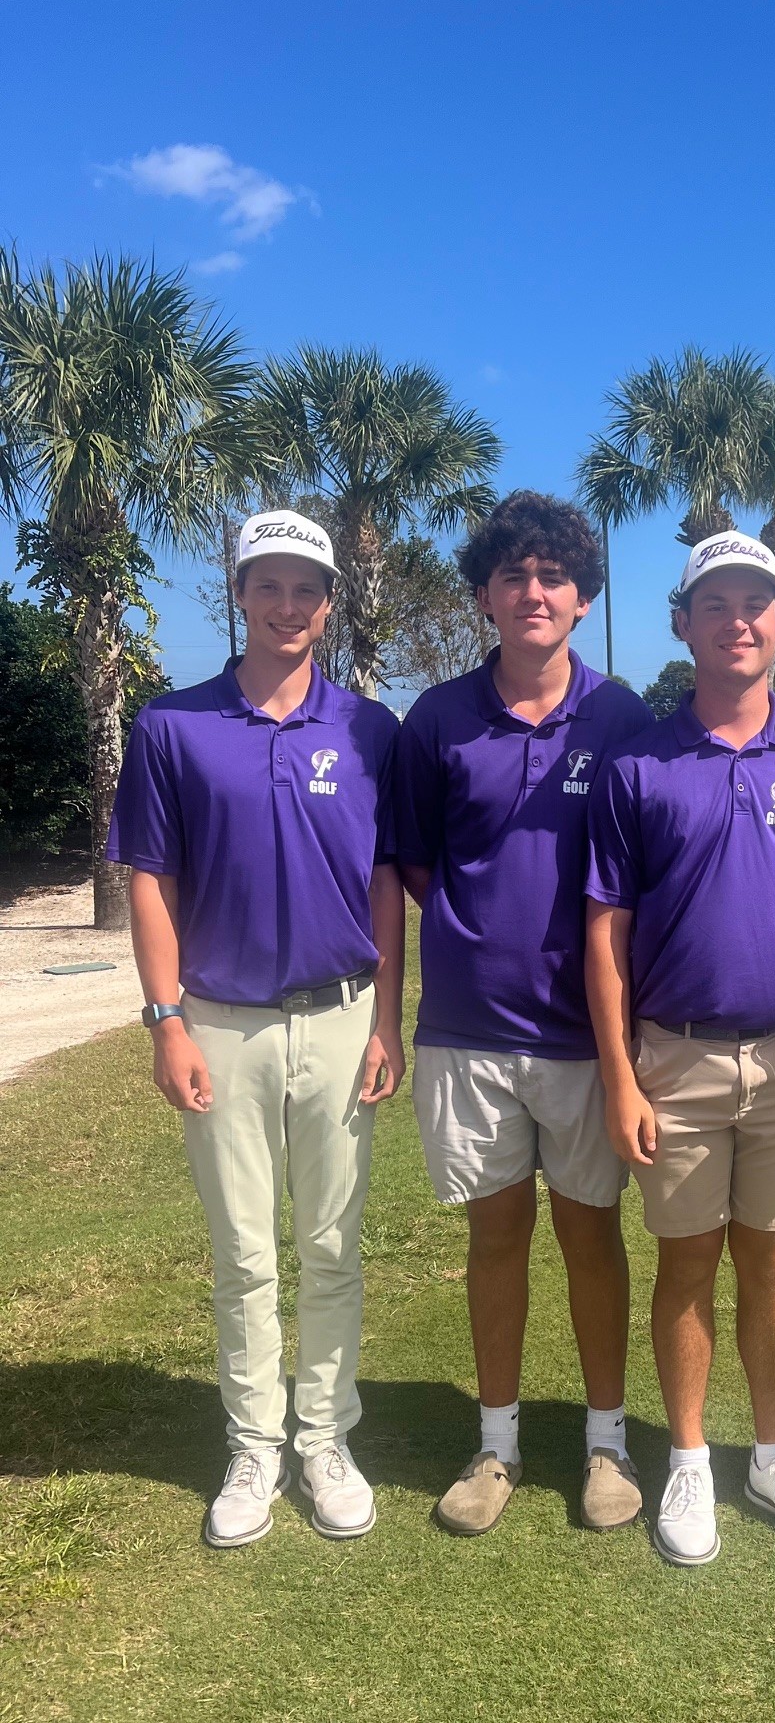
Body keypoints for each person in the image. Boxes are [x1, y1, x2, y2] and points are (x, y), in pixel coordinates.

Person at [107, 508, 405, 1548]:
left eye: (305, 588)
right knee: (243, 1253)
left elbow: (382, 886)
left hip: (339, 1015)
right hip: (220, 1022)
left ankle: (323, 1436)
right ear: (239, 594)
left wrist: (388, 1022)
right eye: (267, 584)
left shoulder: (370, 730)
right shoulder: (170, 725)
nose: (288, 604)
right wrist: (164, 1021)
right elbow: (151, 877)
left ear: (329, 604)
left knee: (331, 1247)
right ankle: (254, 1442)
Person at [584, 529, 775, 1566]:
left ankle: (774, 1456)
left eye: (757, 602)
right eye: (717, 603)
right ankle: (692, 1459)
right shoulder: (638, 761)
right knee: (686, 1263)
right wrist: (619, 1075)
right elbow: (603, 932)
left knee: (771, 1263)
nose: (738, 619)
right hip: (675, 1056)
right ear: (684, 623)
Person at [394, 491, 653, 1536]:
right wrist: (472, 927)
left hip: (588, 1036)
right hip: (469, 1026)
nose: (533, 591)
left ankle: (605, 1443)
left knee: (593, 1240)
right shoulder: (438, 718)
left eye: (553, 575)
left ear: (582, 600)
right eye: (514, 575)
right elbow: (411, 857)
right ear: (485, 598)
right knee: (495, 1238)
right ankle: (495, 1445)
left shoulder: (624, 716)